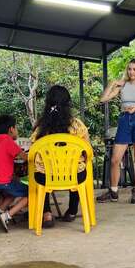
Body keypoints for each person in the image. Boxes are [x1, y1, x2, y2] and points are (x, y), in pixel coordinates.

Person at [97, 58, 135, 204]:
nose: (131, 72)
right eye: (129, 69)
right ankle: (113, 191)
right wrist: (111, 84)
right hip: (124, 120)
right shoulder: (122, 85)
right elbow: (103, 99)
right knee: (115, 160)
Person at [31, 85, 89, 228]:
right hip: (75, 176)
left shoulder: (40, 127)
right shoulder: (77, 125)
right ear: (68, 103)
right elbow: (87, 150)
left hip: (46, 177)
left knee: (39, 172)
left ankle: (47, 214)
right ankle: (72, 211)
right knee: (78, 169)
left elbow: (33, 150)